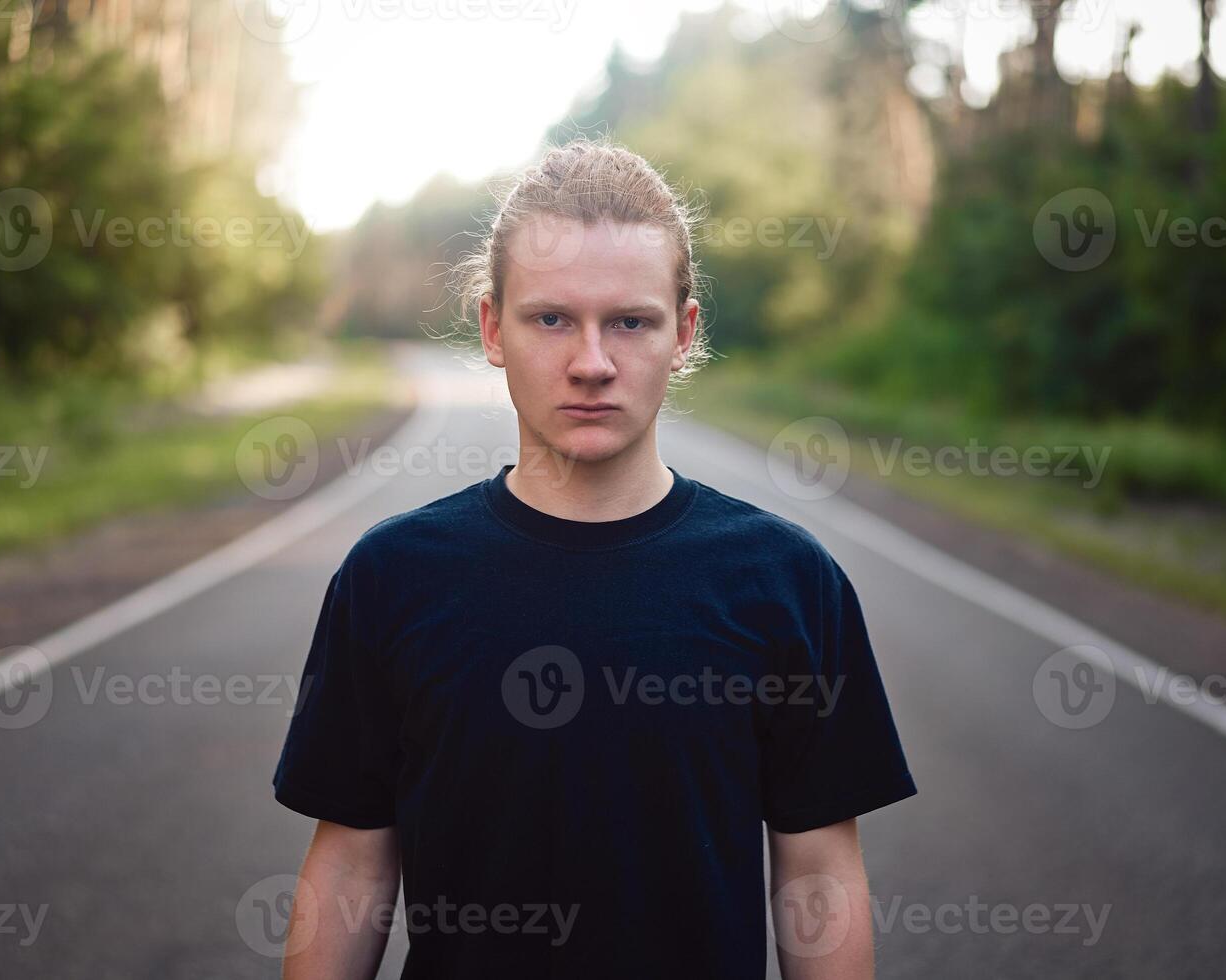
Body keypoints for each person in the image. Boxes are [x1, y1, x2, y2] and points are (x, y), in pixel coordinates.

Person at [272, 137, 916, 979]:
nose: (592, 363)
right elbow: (353, 859)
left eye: (629, 322)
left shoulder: (787, 582)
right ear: (493, 327)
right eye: (551, 319)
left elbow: (819, 872)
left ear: (682, 333)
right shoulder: (393, 576)